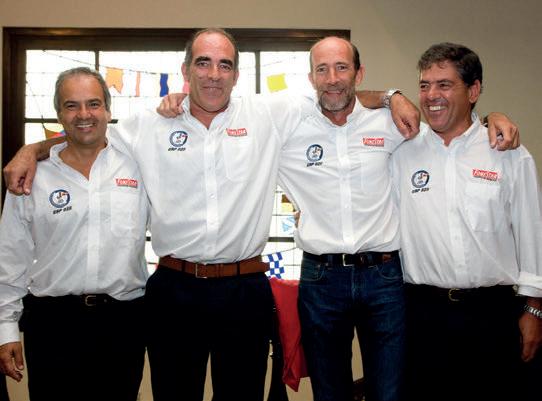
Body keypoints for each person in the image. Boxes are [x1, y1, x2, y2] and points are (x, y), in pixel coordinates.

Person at [3, 29, 425, 401]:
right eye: (203, 63)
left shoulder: (268, 114)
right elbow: (88, 131)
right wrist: (32, 150)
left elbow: (336, 94)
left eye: (225, 65)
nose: (214, 74)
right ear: (186, 70)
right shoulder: (149, 124)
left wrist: (392, 97)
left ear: (237, 75)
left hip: (244, 290)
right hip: (174, 290)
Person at [156, 35, 520, 401]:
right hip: (322, 279)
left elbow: (450, 138)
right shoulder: (287, 124)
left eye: (342, 68)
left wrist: (489, 119)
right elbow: (219, 104)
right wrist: (181, 100)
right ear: (311, 78)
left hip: (384, 278)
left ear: (358, 74)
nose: (332, 78)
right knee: (329, 393)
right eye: (322, 69)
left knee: (390, 391)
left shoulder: (392, 125)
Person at [392, 42, 542, 401]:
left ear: (473, 91)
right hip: (421, 315)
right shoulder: (401, 151)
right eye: (425, 85)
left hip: (492, 314)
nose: (431, 95)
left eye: (444, 85)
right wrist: (391, 96)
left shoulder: (508, 153)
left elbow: (531, 231)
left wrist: (534, 308)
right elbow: (345, 102)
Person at [0, 67, 149, 401]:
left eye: (93, 104)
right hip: (52, 324)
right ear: (59, 113)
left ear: (108, 110)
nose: (84, 114)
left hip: (123, 323)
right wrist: (5, 329)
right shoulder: (31, 176)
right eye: (72, 105)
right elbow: (10, 257)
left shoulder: (138, 166)